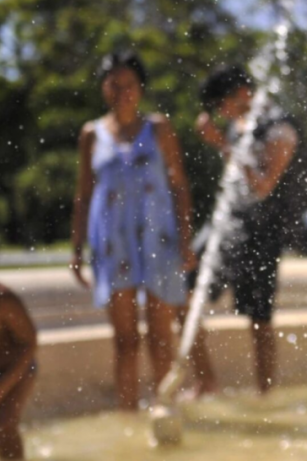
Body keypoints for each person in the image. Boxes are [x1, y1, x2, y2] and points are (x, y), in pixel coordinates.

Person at [70, 51, 195, 411]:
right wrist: (76, 249)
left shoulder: (159, 129)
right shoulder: (91, 135)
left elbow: (179, 186)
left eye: (129, 85)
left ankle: (164, 412)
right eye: (114, 83)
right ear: (103, 87)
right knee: (125, 341)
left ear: (140, 89)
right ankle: (127, 416)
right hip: (113, 244)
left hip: (159, 239)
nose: (121, 91)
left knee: (160, 337)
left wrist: (186, 240)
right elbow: (83, 194)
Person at [190, 65, 301, 394]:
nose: (221, 112)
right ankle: (205, 380)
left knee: (259, 319)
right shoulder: (238, 128)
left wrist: (223, 145)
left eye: (222, 103)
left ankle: (264, 395)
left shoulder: (280, 128)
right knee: (182, 290)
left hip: (262, 231)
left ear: (242, 93)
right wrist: (226, 142)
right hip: (227, 225)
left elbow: (264, 186)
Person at [0, 284, 36, 460]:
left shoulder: (4, 299)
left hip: (17, 365)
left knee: (4, 424)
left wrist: (3, 386)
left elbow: (29, 344)